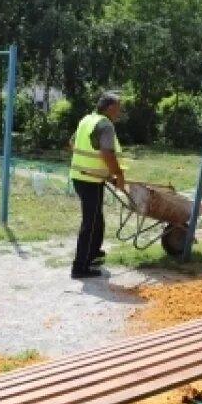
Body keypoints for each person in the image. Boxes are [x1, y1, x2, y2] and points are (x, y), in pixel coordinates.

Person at [69, 92, 127, 278]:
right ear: (110, 107)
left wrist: (100, 170)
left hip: (81, 176)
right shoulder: (105, 125)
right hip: (90, 180)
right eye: (119, 108)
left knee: (96, 220)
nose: (120, 112)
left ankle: (92, 254)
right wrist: (118, 174)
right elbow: (107, 153)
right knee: (91, 223)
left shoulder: (87, 120)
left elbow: (71, 143)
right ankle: (80, 267)